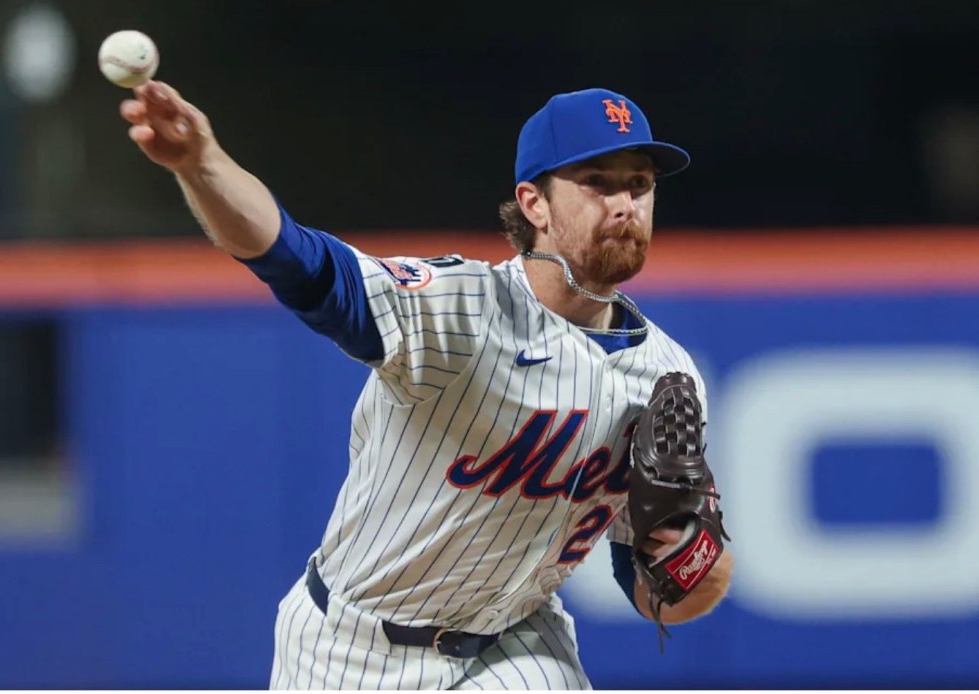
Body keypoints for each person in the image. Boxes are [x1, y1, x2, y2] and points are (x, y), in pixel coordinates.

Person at [119, 82, 733, 690]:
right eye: (597, 183)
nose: (624, 204)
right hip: (352, 649)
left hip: (515, 645)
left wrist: (700, 569)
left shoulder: (667, 374)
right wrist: (202, 165)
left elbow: (650, 589)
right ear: (534, 204)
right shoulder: (462, 308)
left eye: (639, 185)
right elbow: (299, 261)